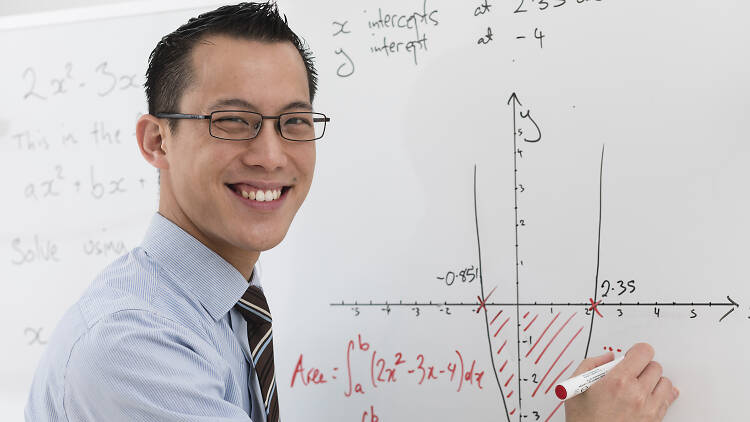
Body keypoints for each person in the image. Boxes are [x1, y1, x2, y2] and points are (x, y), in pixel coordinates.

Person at [25, 2, 678, 421]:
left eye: (295, 123)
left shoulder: (222, 302)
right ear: (155, 140)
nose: (271, 155)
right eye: (233, 121)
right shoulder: (133, 348)